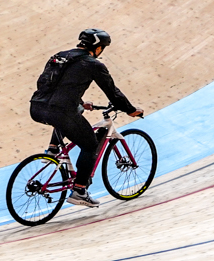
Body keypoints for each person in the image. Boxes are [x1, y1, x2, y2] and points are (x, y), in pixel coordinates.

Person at [29, 29, 143, 209]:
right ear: (98, 48)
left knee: (74, 110)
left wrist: (80, 102)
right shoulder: (93, 64)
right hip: (60, 111)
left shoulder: (60, 56)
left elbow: (47, 84)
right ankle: (80, 191)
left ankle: (53, 149)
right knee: (90, 145)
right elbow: (112, 93)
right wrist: (130, 110)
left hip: (36, 107)